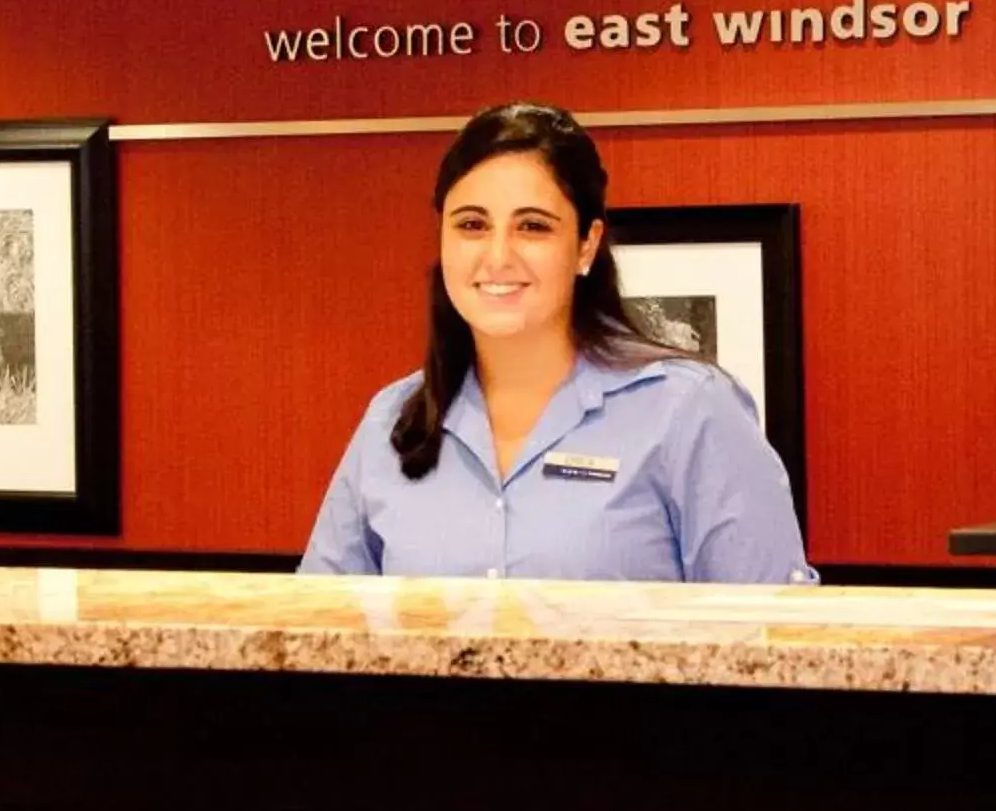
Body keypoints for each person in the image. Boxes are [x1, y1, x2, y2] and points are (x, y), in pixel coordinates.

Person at [299, 104, 810, 582]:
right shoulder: (389, 420)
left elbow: (777, 639)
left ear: (586, 244)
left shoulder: (690, 410)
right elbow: (314, 632)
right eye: (472, 225)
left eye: (533, 227)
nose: (498, 256)